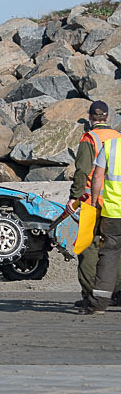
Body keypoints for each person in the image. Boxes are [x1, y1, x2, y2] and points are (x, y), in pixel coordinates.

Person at [68, 101, 121, 310]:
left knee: (88, 247)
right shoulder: (117, 138)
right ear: (107, 118)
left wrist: (75, 196)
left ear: (90, 117)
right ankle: (115, 292)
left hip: (94, 201)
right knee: (115, 249)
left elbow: (83, 171)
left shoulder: (90, 139)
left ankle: (93, 294)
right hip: (115, 202)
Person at [86, 133, 121, 315]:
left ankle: (99, 303)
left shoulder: (110, 147)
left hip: (113, 213)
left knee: (109, 256)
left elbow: (97, 177)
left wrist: (93, 202)